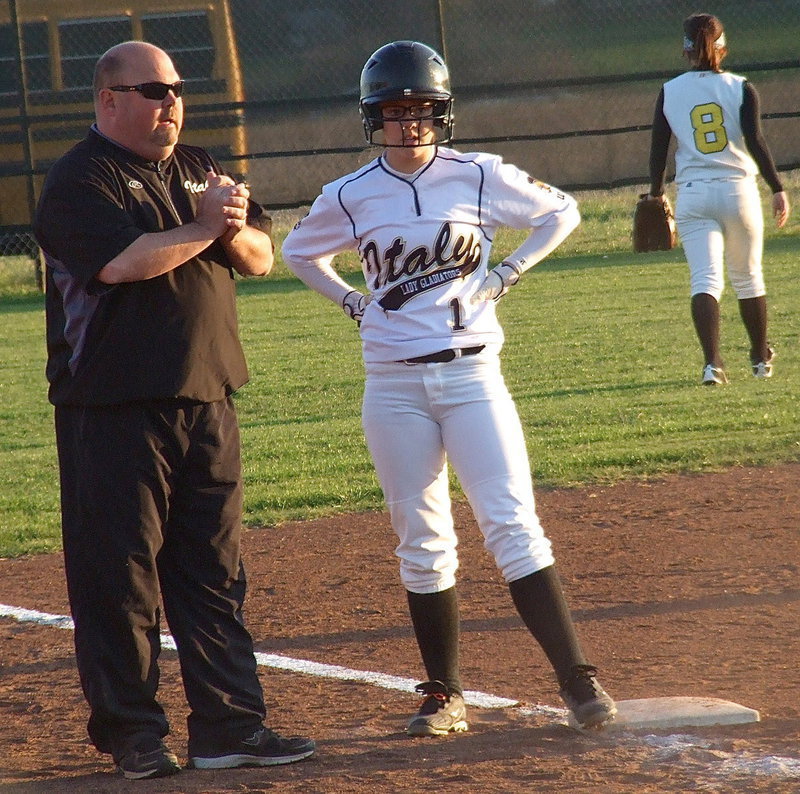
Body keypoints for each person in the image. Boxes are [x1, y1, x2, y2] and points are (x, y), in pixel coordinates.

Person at [282, 40, 616, 736]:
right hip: (392, 385)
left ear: (442, 114)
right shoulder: (349, 193)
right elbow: (297, 251)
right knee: (421, 538)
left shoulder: (479, 175)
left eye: (422, 110)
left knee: (512, 523)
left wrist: (508, 273)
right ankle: (445, 694)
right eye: (395, 110)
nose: (409, 123)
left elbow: (562, 213)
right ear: (374, 116)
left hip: (471, 375)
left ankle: (579, 681)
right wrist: (350, 301)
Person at [33, 41, 315, 780]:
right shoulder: (77, 180)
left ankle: (230, 727)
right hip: (113, 406)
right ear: (108, 101)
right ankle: (134, 735)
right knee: (119, 579)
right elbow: (120, 264)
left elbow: (255, 257)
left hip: (208, 395)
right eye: (153, 90)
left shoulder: (199, 164)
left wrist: (227, 225)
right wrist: (200, 229)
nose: (171, 102)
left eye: (176, 89)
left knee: (215, 573)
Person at [647, 12, 790, 386]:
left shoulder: (670, 90)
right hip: (738, 190)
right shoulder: (741, 87)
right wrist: (777, 187)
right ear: (723, 48)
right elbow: (756, 141)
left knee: (705, 280)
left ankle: (713, 364)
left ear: (685, 50)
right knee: (748, 277)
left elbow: (659, 150)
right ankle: (760, 358)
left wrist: (656, 193)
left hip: (694, 194)